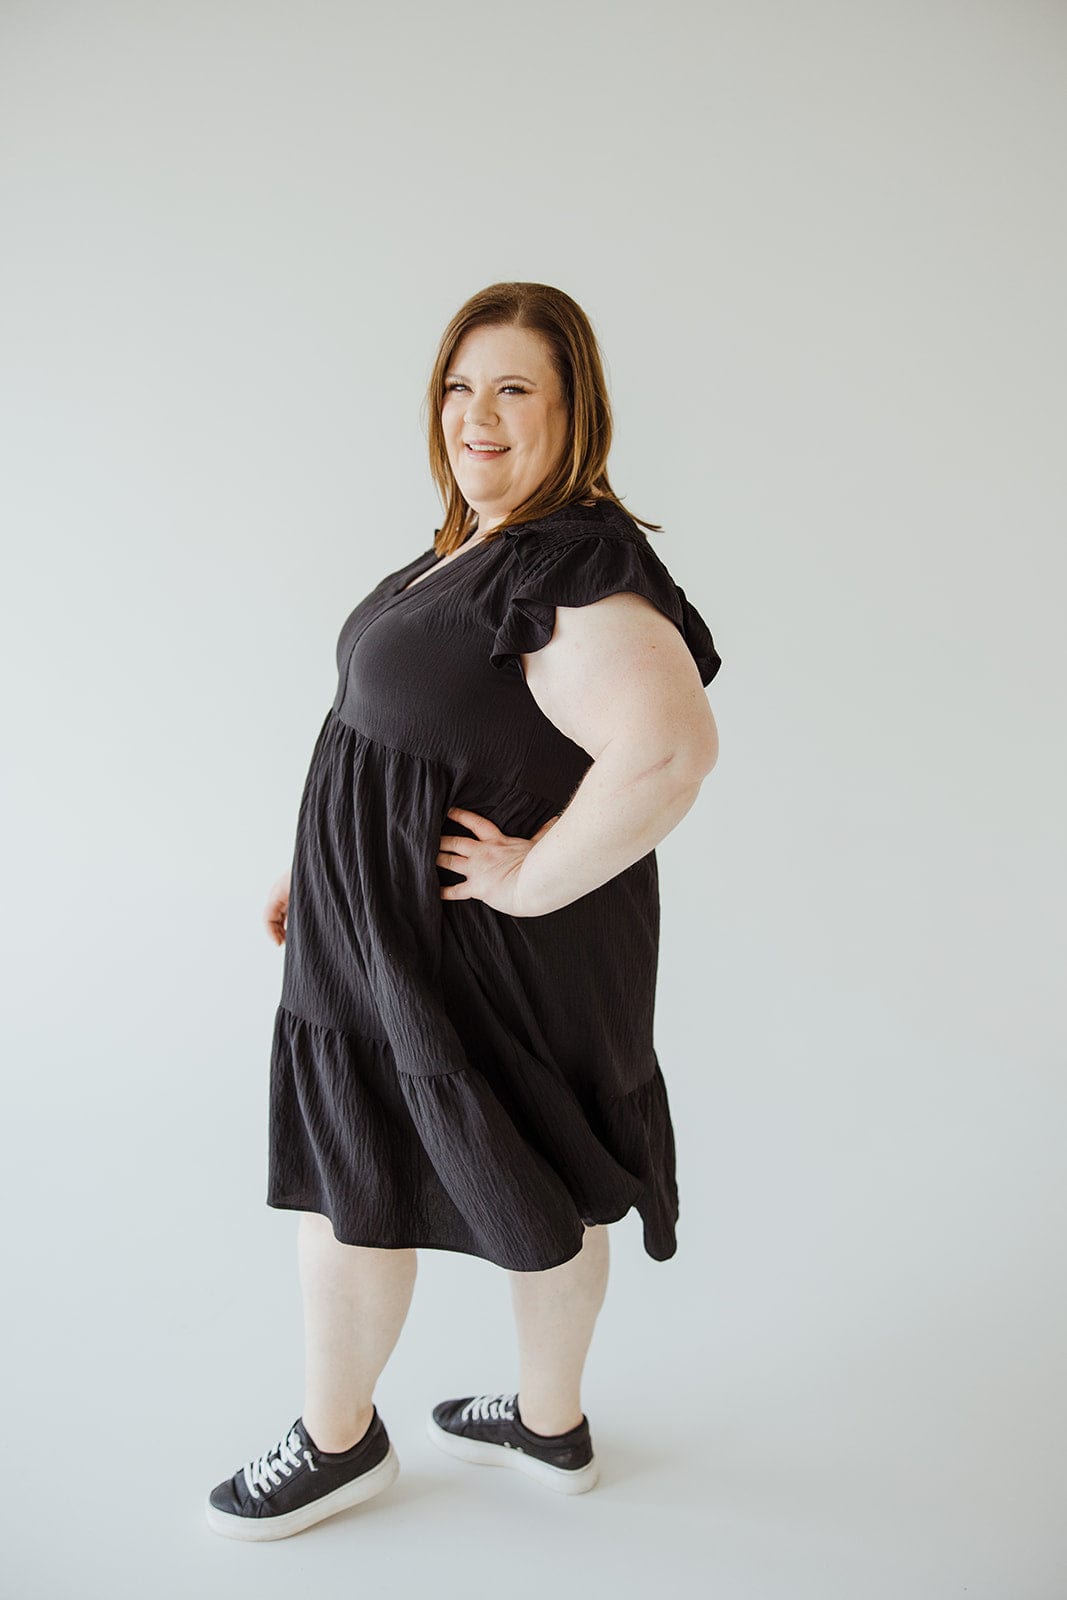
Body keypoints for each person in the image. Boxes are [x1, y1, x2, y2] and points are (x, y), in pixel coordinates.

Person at [205, 281, 722, 1541]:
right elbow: (390, 730)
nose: (475, 415)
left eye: (513, 390)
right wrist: (317, 858)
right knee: (511, 1171)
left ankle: (339, 1442)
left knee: (372, 1175)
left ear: (573, 411)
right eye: (458, 385)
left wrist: (528, 877)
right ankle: (548, 1427)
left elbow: (668, 751)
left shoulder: (571, 565)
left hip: (458, 945)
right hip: (381, 923)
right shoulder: (482, 542)